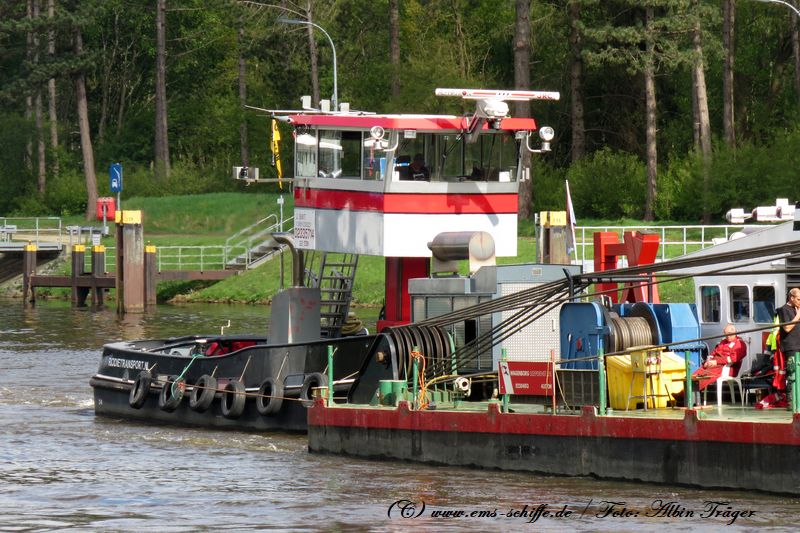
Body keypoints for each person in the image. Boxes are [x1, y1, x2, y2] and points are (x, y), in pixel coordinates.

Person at [672, 324, 747, 405]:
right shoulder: (723, 342)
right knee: (698, 372)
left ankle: (685, 396)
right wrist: (707, 362)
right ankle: (685, 393)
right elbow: (713, 353)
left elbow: (733, 358)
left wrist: (716, 362)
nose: (727, 336)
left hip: (728, 368)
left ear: (735, 332)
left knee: (706, 375)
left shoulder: (740, 344)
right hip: (715, 364)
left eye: (729, 334)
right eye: (725, 334)